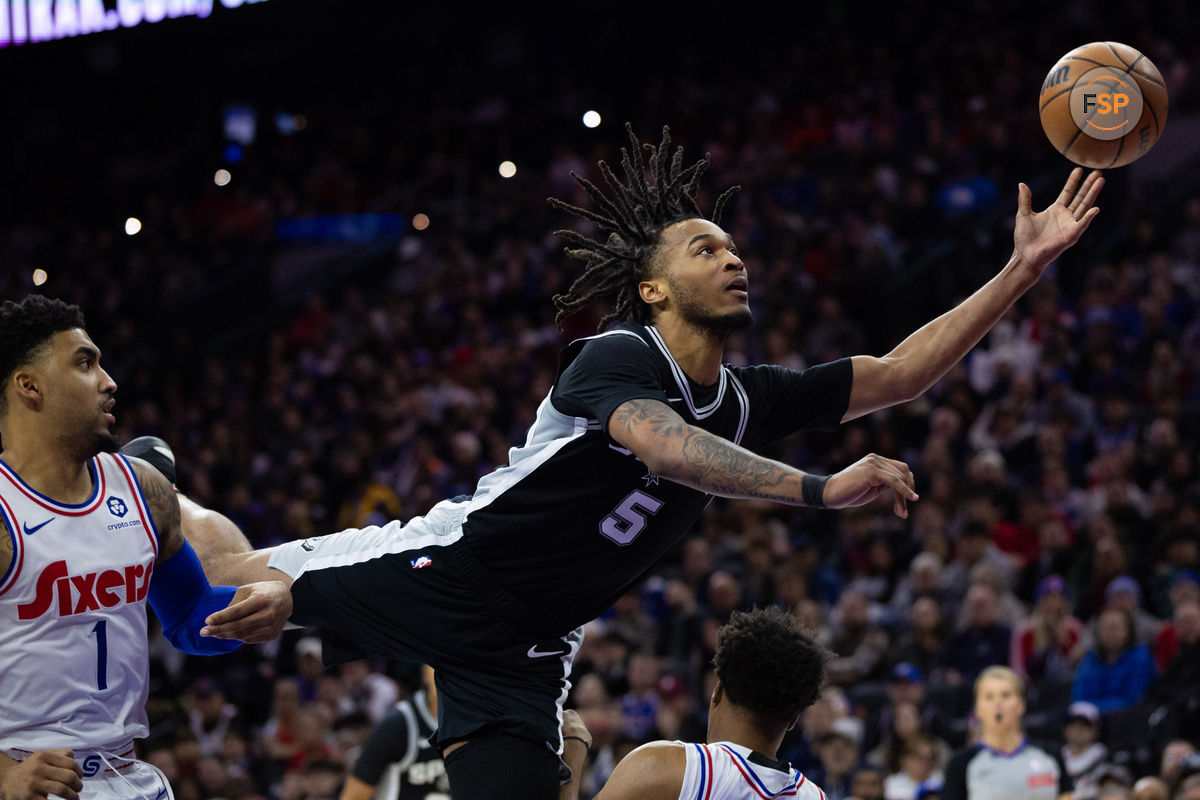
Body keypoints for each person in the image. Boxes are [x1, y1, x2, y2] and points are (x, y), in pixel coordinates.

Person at [197, 127, 1104, 799]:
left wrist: (1022, 270)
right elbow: (671, 449)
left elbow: (901, 374)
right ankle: (151, 489)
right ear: (654, 288)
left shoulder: (749, 396)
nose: (735, 257)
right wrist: (820, 489)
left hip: (527, 649)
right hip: (452, 572)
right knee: (225, 589)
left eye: (736, 246)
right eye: (706, 248)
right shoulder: (618, 355)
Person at [0, 296, 291, 800]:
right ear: (29, 386)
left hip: (129, 776)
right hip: (28, 780)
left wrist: (262, 607)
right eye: (85, 363)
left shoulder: (143, 487)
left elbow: (188, 617)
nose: (109, 381)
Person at [558, 606, 830, 800]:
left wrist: (572, 756)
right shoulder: (815, 796)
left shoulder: (666, 766)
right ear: (794, 718)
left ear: (718, 691)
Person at [943, 666, 1072, 800]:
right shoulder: (961, 764)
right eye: (989, 697)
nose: (997, 703)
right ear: (978, 709)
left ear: (1021, 705)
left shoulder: (1051, 755)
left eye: (1006, 695)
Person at [339, 665, 449, 800]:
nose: (447, 675)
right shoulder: (399, 725)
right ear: (424, 671)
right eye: (440, 665)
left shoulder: (477, 721)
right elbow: (353, 796)